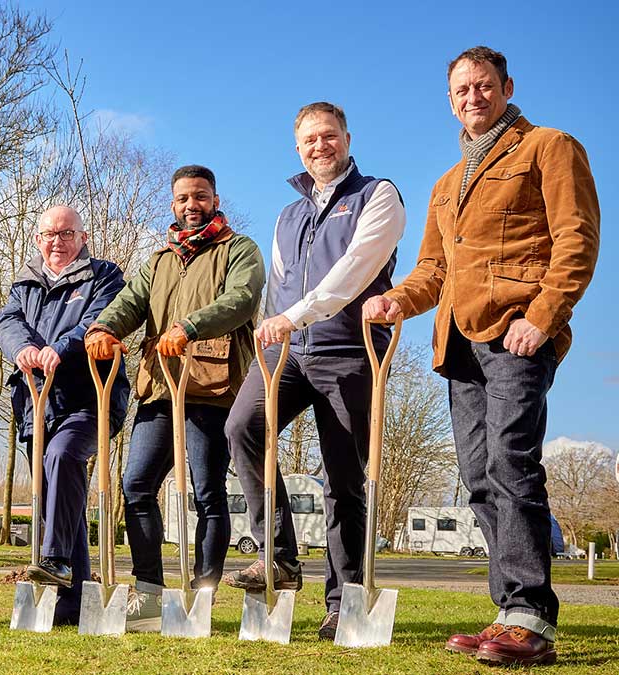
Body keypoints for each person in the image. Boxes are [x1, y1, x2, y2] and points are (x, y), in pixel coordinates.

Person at [364, 46, 599, 666]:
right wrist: (395, 300)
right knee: (476, 476)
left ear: (506, 86)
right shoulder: (446, 183)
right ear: (450, 100)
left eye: (484, 85)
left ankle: (531, 617)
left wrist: (544, 316)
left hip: (517, 331)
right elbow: (433, 271)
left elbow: (576, 238)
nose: (473, 96)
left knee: (510, 461)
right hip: (458, 345)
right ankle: (509, 610)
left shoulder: (548, 146)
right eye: (461, 89)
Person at [221, 102, 406, 640]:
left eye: (328, 136)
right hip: (288, 351)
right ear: (297, 148)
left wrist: (294, 315)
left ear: (347, 138)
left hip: (350, 349)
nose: (319, 146)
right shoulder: (288, 214)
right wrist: (273, 324)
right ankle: (277, 556)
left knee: (344, 479)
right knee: (242, 428)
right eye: (308, 140)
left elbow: (354, 272)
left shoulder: (378, 195)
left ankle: (343, 600)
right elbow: (279, 281)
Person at [84, 165, 264, 632]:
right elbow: (131, 302)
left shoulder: (238, 249)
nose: (192, 205)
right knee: (136, 486)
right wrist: (103, 326)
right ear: (173, 204)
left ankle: (201, 592)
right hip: (159, 387)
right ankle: (148, 591)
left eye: (200, 196)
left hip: (213, 386)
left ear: (214, 198)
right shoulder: (159, 259)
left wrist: (189, 327)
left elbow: (242, 299)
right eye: (183, 198)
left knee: (207, 492)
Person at [0, 204, 129, 626]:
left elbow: (101, 319)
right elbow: (8, 323)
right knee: (56, 497)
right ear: (38, 239)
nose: (58, 242)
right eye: (50, 234)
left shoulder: (105, 276)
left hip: (91, 396)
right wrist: (22, 349)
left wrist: (65, 345)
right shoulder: (24, 283)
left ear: (83, 237)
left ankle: (52, 558)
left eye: (67, 234)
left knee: (64, 457)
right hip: (37, 400)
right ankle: (71, 605)